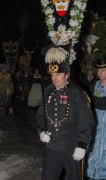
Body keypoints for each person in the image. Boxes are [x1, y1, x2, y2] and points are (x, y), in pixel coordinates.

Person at [36, 47, 94, 180]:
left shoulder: (78, 93)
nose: (54, 78)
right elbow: (40, 117)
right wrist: (42, 132)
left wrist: (82, 145)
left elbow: (87, 122)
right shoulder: (48, 92)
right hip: (52, 147)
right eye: (52, 75)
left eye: (58, 75)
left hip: (72, 148)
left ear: (66, 75)